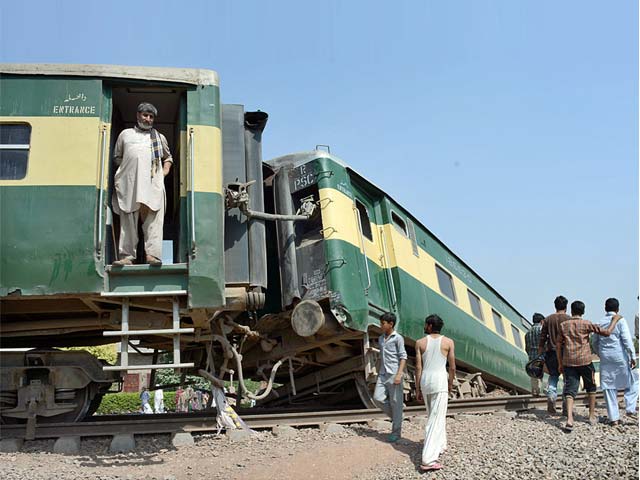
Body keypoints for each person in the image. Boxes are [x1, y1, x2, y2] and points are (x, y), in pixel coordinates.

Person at [112, 102, 173, 266]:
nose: (148, 119)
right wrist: (129, 169)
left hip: (152, 185)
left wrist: (164, 172)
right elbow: (117, 158)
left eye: (151, 117)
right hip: (130, 184)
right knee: (128, 220)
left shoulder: (159, 138)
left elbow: (168, 158)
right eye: (145, 115)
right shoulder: (125, 134)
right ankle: (127, 256)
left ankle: (152, 255)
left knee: (153, 220)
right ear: (138, 115)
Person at [556, 300, 620, 431]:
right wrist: (615, 320)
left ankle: (569, 419)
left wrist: (560, 363)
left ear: (571, 311)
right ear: (583, 312)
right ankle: (591, 416)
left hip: (569, 362)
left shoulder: (563, 326)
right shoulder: (587, 324)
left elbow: (558, 346)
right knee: (591, 388)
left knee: (570, 391)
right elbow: (607, 332)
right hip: (585, 361)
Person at [415, 314, 455, 473]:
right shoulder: (448, 342)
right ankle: (428, 459)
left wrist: (417, 388)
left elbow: (418, 367)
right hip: (439, 381)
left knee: (433, 414)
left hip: (426, 380)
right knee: (436, 419)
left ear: (430, 326)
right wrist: (450, 383)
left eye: (426, 324)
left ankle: (440, 445)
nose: (424, 326)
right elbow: (452, 367)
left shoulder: (420, 342)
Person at [592, 298, 637, 425]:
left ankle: (614, 418)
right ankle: (630, 408)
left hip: (605, 358)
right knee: (633, 381)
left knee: (608, 386)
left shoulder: (599, 322)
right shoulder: (620, 320)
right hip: (619, 357)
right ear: (618, 309)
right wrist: (632, 356)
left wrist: (600, 353)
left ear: (605, 308)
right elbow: (627, 340)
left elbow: (594, 342)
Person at [372, 312, 407, 443]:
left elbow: (403, 357)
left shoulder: (398, 338)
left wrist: (399, 374)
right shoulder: (381, 338)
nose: (381, 325)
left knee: (396, 402)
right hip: (383, 373)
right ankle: (398, 417)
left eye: (383, 323)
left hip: (394, 374)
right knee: (377, 398)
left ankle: (396, 432)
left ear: (390, 324)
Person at [538, 296, 571, 413]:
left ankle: (551, 395)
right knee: (568, 379)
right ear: (566, 307)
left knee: (553, 376)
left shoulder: (547, 319)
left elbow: (542, 338)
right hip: (566, 352)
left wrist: (540, 352)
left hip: (551, 352)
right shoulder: (569, 319)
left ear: (555, 306)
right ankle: (566, 405)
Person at [525, 313, 545, 396]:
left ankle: (534, 391)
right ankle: (539, 391)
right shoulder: (542, 330)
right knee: (541, 374)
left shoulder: (528, 332)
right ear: (541, 321)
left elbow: (527, 347)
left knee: (533, 374)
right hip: (541, 355)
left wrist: (530, 353)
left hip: (531, 356)